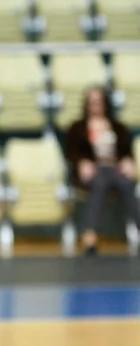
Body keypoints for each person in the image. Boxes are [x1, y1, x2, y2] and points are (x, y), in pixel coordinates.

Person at [66, 86, 140, 256]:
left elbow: (126, 151)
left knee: (127, 184)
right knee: (99, 184)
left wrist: (128, 162)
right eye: (91, 102)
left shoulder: (117, 127)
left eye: (98, 101)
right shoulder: (77, 128)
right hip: (92, 170)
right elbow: (71, 153)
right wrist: (81, 163)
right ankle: (90, 237)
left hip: (114, 168)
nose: (95, 105)